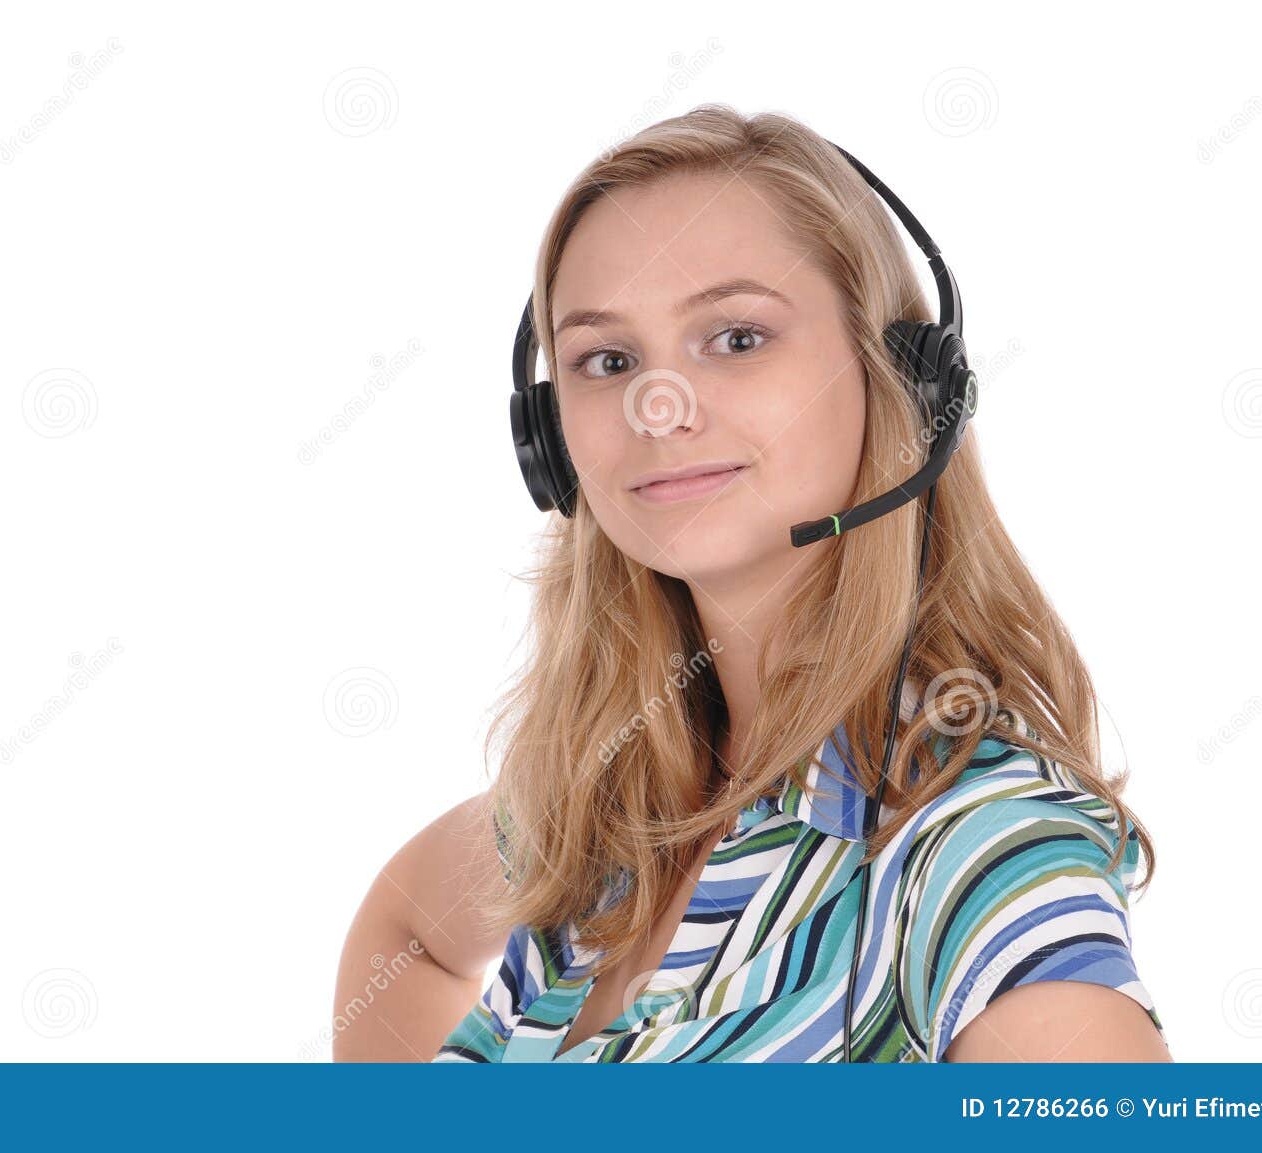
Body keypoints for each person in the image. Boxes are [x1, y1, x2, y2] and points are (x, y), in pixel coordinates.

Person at [332, 103, 1169, 1063]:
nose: (658, 406)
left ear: (900, 376)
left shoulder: (978, 849)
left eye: (735, 337)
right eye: (606, 360)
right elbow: (409, 929)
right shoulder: (604, 800)